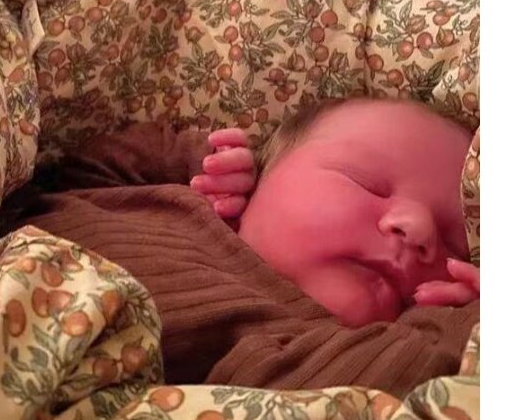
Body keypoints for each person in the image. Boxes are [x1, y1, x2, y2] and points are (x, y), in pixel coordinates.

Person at [190, 97, 480, 327]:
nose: (419, 227)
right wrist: (203, 165)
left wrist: (464, 323)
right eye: (367, 183)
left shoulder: (371, 359)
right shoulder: (184, 215)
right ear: (260, 178)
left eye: (454, 245)